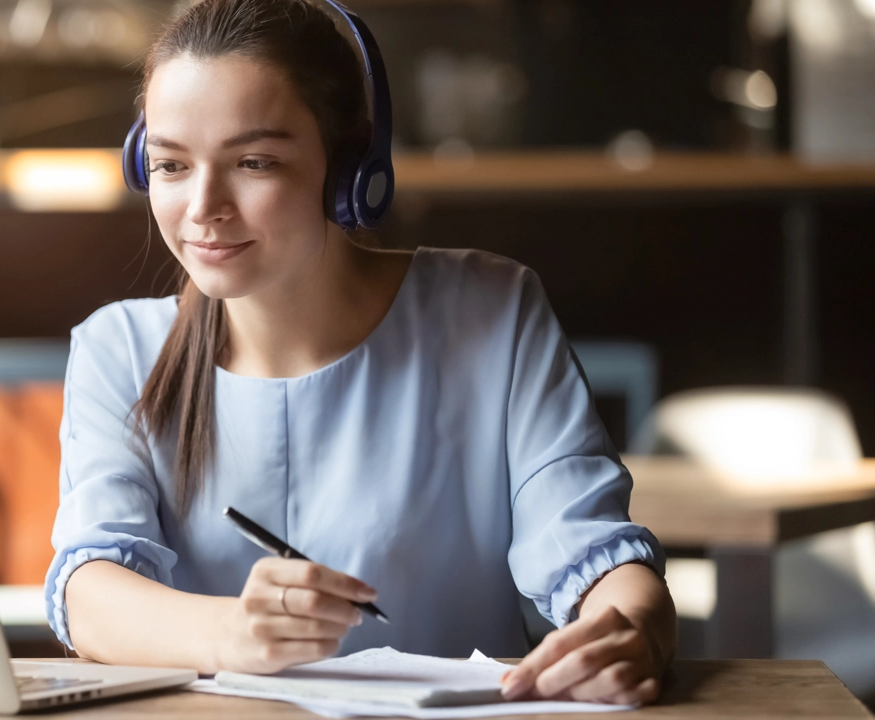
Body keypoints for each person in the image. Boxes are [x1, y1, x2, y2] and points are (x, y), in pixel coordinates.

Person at [44, 0, 676, 705]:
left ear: (351, 170)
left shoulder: (490, 311)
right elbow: (89, 591)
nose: (203, 206)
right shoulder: (120, 349)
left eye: (254, 161)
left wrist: (635, 626)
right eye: (171, 164)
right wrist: (238, 634)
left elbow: (590, 550)